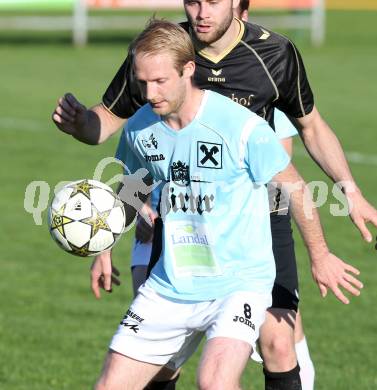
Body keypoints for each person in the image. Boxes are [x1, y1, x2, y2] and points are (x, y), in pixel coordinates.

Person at [52, 1, 376, 389]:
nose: (202, 12)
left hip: (254, 223)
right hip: (180, 234)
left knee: (272, 344)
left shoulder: (271, 61)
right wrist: (104, 235)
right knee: (161, 365)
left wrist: (348, 196)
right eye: (193, 1)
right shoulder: (157, 56)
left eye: (214, 1)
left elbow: (310, 131)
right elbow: (121, 145)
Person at [94, 19, 322, 390]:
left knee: (214, 381)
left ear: (187, 70)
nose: (149, 93)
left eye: (160, 81)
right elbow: (133, 187)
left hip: (238, 283)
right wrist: (105, 243)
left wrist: (321, 254)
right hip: (171, 284)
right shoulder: (139, 126)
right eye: (142, 81)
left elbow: (295, 188)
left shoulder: (240, 126)